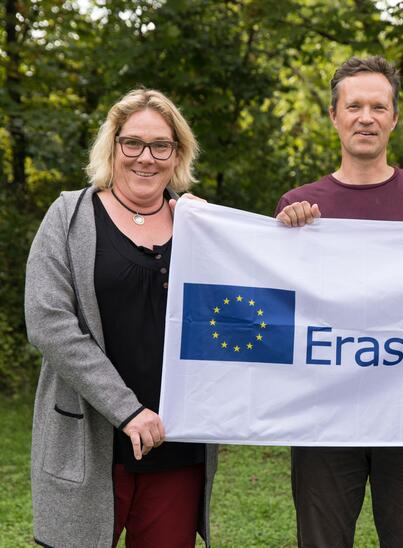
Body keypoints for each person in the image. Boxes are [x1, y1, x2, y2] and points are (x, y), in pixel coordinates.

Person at [276, 56, 403, 548]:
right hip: (324, 415)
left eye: (378, 106)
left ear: (394, 118)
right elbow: (283, 311)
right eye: (353, 106)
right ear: (334, 116)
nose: (366, 117)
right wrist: (287, 235)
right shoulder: (299, 205)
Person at [25, 89, 217, 548]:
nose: (145, 158)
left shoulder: (199, 225)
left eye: (160, 146)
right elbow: (48, 321)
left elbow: (237, 317)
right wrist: (126, 409)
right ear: (112, 146)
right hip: (89, 439)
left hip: (176, 444)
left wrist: (224, 240)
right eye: (132, 143)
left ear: (177, 154)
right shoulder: (69, 217)